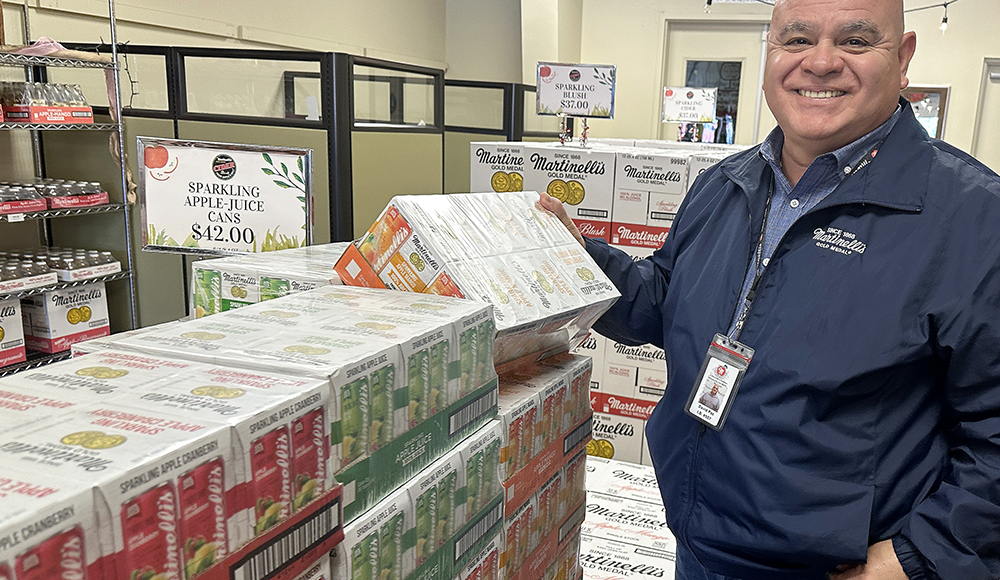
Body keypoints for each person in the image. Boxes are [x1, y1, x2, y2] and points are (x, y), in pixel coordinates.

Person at [540, 0, 1000, 578]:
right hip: (699, 543)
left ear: (903, 58)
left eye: (856, 41)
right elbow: (661, 302)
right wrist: (574, 255)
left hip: (839, 568)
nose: (822, 62)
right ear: (770, 54)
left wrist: (915, 559)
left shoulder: (974, 218)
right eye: (797, 39)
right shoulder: (724, 184)